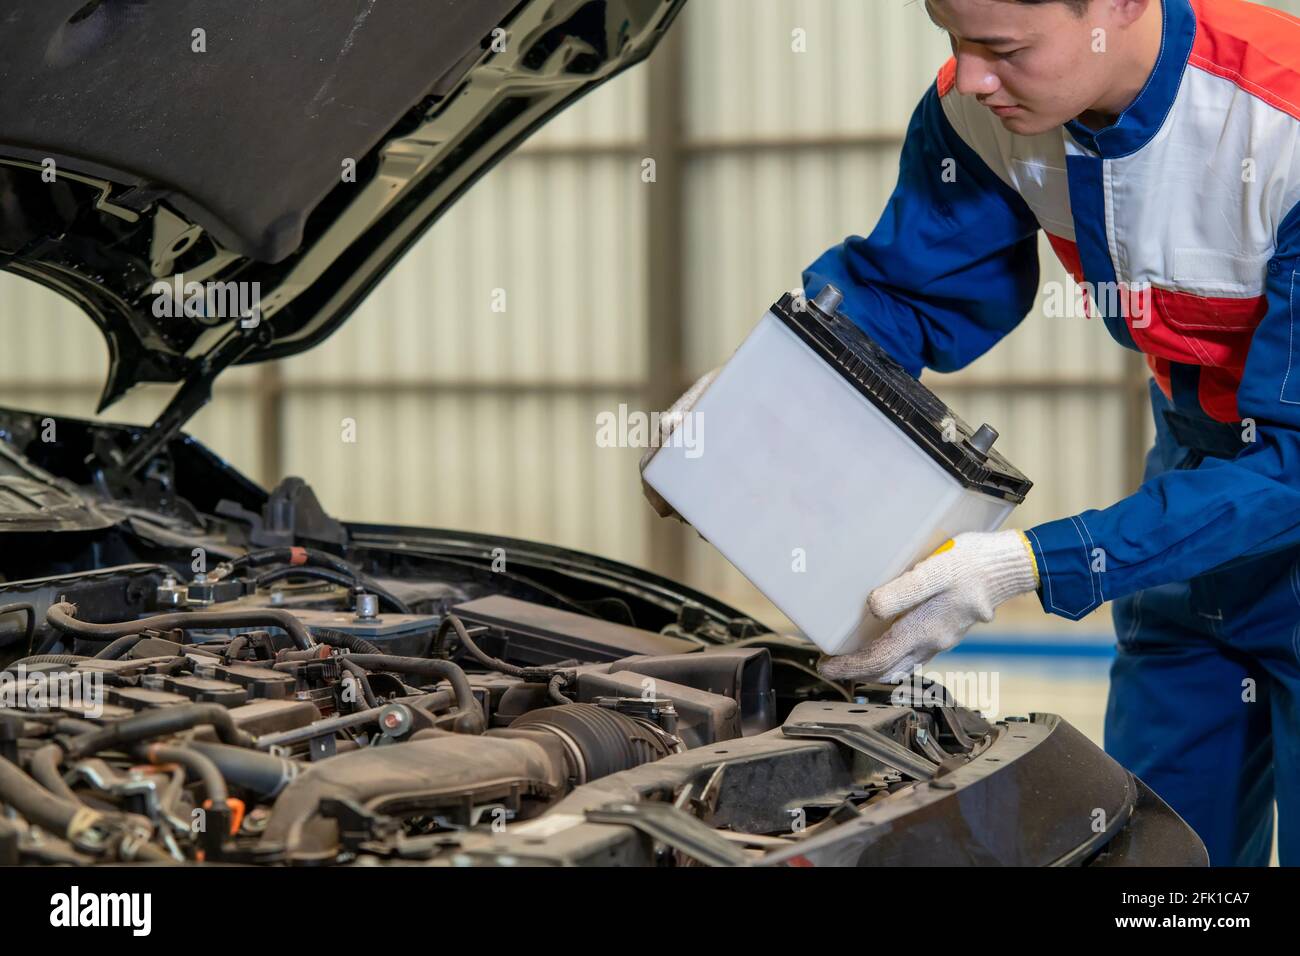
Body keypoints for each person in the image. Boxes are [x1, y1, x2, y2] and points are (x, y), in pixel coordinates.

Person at [643, 0, 1300, 866]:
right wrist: (760, 396)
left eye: (1003, 48)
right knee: (1162, 862)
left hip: (1272, 477)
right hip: (1193, 500)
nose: (972, 76)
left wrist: (1024, 563)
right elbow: (905, 296)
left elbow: (1290, 467)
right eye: (953, 38)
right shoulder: (981, 112)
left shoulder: (1279, 130)